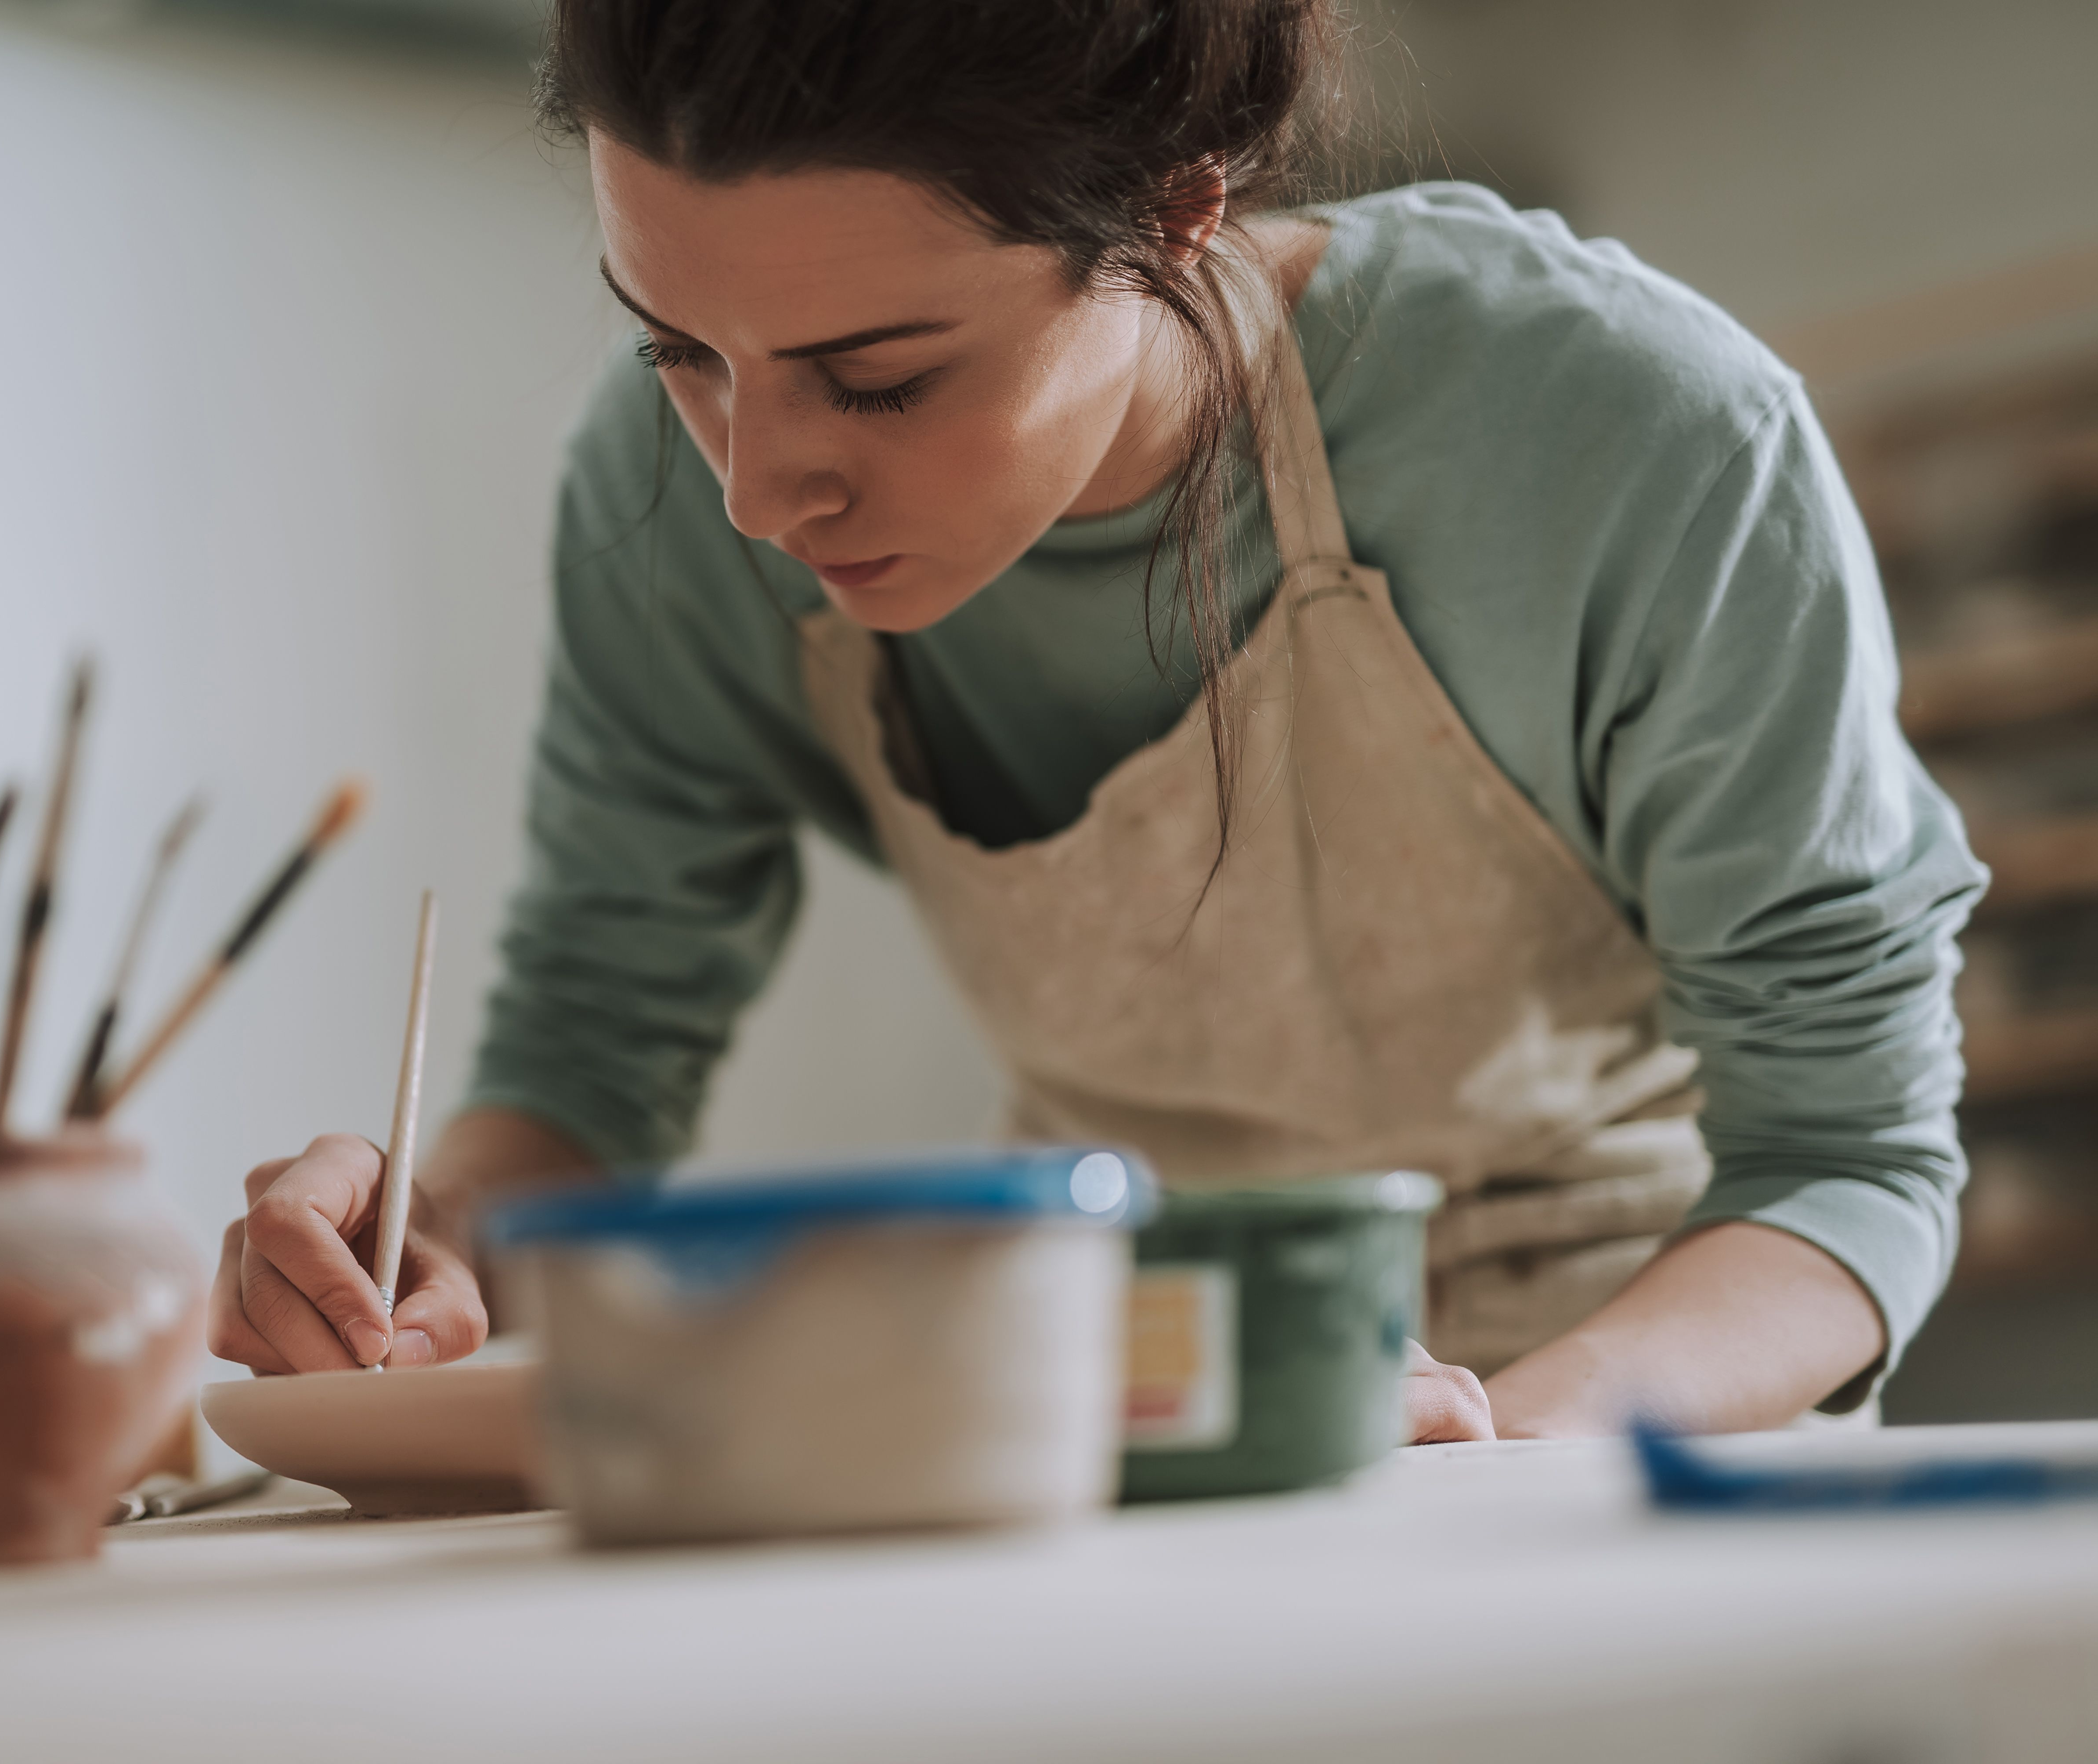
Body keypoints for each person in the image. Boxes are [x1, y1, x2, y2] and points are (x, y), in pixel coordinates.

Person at [206, 0, 1985, 1442]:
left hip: (1619, 1418)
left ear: (1174, 212)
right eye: (676, 345)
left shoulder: (1629, 446)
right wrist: (423, 1243)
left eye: (882, 379)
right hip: (1102, 1415)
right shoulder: (662, 503)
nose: (755, 490)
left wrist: (1502, 1437)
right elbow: (593, 1039)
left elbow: (1849, 1164)